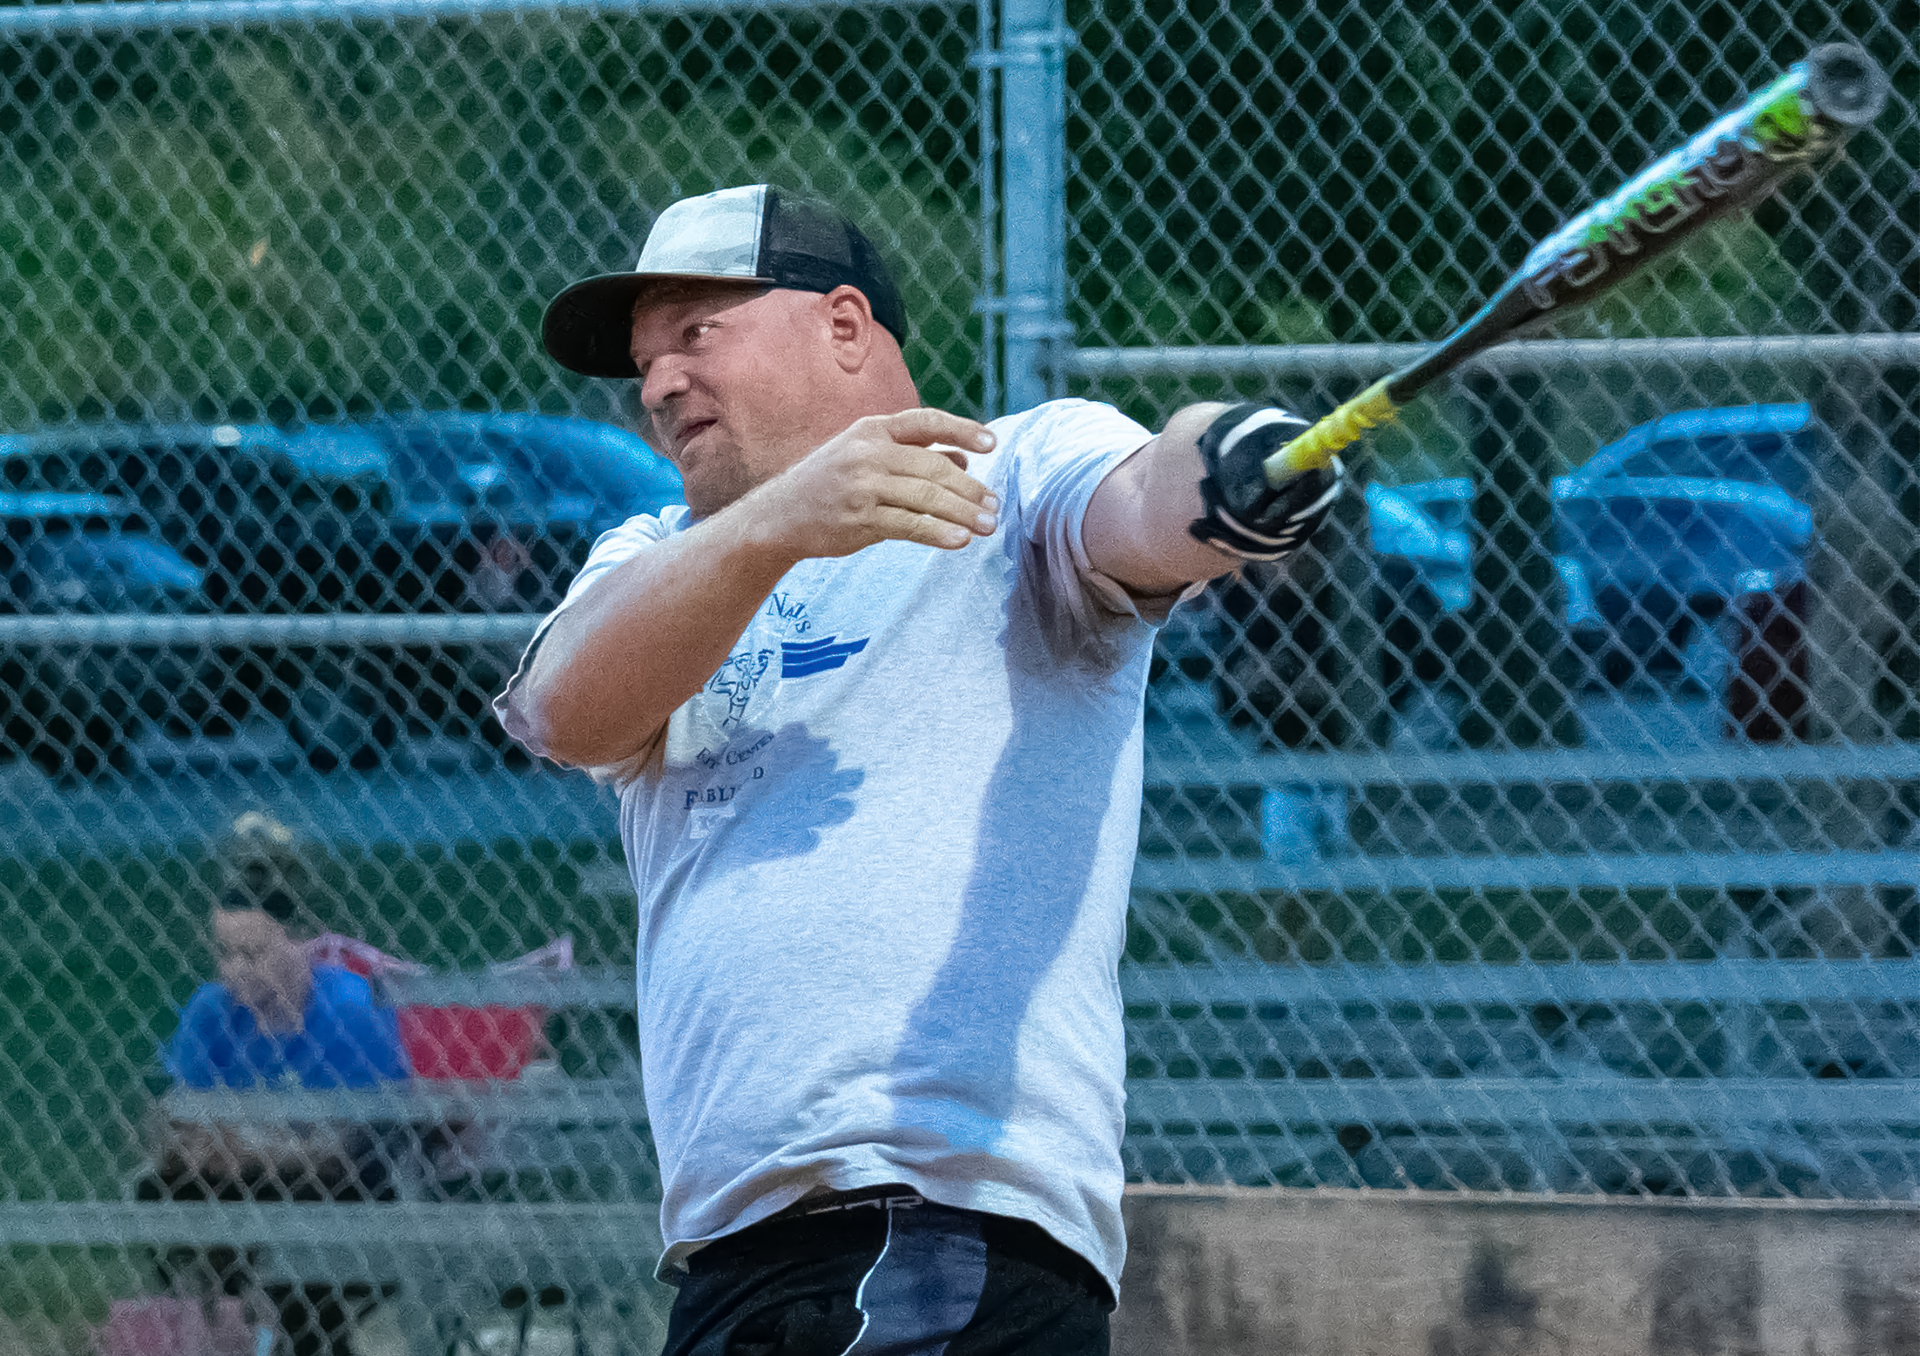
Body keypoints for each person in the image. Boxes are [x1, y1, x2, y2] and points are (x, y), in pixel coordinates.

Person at [495, 184, 1343, 1355]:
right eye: (643, 363)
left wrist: (1229, 467)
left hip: (944, 1228)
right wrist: (776, 522)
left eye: (696, 335)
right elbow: (564, 712)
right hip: (735, 1261)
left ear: (844, 327)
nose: (656, 387)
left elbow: (1151, 499)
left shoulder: (1017, 477)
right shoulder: (656, 559)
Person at [146, 813, 412, 1356]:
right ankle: (247, 1332)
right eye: (224, 953)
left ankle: (294, 1337)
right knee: (163, 1188)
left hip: (350, 1206)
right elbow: (168, 1126)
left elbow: (345, 1153)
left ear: (301, 943)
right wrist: (259, 1147)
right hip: (243, 1192)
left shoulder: (348, 1010)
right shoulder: (213, 1013)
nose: (234, 971)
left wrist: (234, 1145)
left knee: (308, 1228)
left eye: (253, 953)